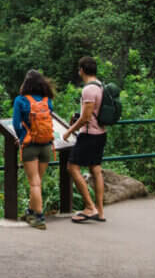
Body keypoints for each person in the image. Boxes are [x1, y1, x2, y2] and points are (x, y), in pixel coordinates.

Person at [61, 56, 107, 223]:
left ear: (82, 70)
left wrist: (68, 131)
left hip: (88, 134)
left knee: (72, 168)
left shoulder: (88, 89)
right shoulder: (101, 86)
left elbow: (86, 117)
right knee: (96, 169)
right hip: (101, 133)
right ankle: (100, 212)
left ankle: (89, 207)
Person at [11, 70, 56, 230]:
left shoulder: (20, 100)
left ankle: (38, 217)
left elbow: (16, 124)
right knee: (37, 182)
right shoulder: (47, 100)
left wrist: (21, 137)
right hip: (46, 146)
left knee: (34, 183)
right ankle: (31, 212)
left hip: (30, 146)